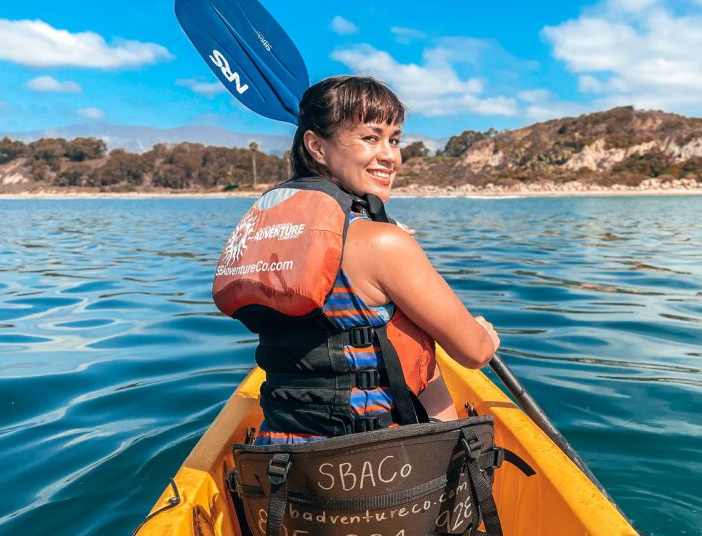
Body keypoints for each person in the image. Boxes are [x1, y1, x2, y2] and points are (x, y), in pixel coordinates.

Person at [214, 75, 500, 446]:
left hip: (283, 465)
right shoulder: (383, 243)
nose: (390, 156)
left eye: (394, 139)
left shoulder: (267, 235)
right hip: (383, 474)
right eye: (371, 138)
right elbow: (474, 352)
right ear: (316, 146)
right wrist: (486, 335)